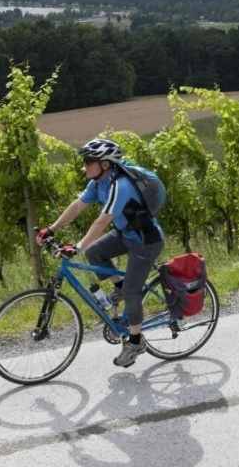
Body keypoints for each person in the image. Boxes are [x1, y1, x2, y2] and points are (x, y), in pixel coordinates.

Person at [35, 138, 165, 368]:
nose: (84, 166)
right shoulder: (98, 183)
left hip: (146, 242)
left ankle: (135, 342)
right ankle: (120, 289)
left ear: (105, 164)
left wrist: (77, 246)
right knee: (95, 252)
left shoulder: (120, 185)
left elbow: (101, 221)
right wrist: (51, 229)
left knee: (133, 291)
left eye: (88, 162)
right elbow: (77, 206)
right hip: (126, 234)